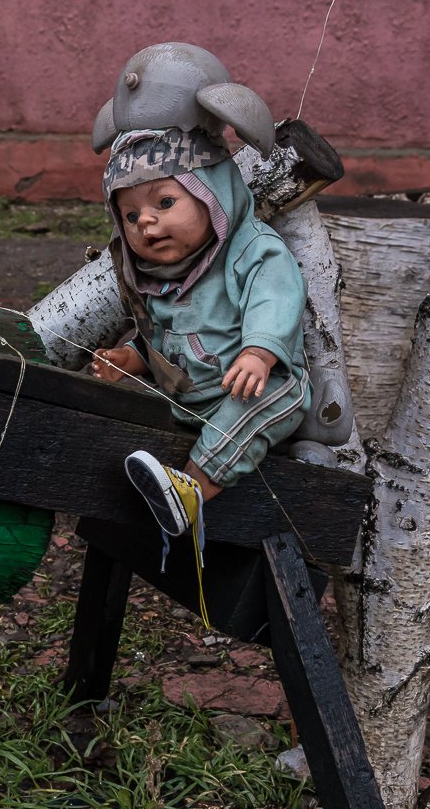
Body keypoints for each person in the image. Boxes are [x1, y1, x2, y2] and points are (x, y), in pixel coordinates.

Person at [90, 126, 309, 562]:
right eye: (130, 217)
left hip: (270, 386)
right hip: (197, 402)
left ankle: (188, 493)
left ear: (214, 194)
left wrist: (259, 351)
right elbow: (169, 339)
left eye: (165, 202)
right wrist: (133, 357)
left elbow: (277, 297)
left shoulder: (252, 251)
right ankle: (173, 487)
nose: (146, 222)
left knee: (245, 411)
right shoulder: (161, 281)